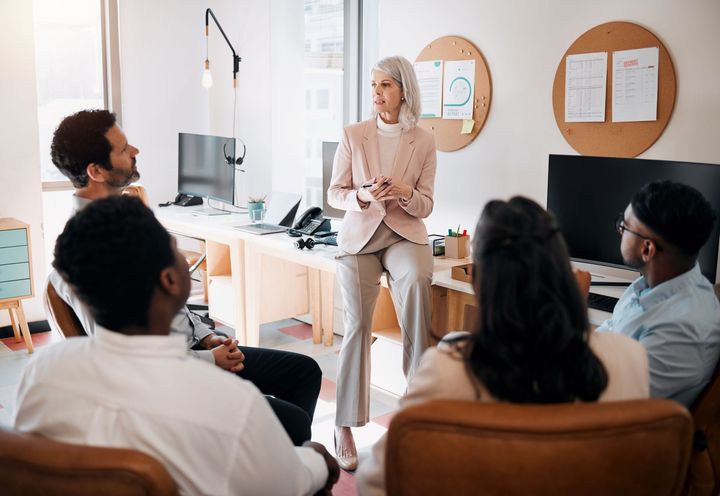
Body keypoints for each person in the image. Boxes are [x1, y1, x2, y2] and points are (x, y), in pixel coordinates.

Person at [15, 196, 339, 495]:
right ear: (170, 281)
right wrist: (314, 458)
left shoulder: (42, 373)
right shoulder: (234, 404)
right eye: (176, 250)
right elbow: (289, 483)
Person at [47, 109, 321, 446]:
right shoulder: (82, 255)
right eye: (122, 149)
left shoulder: (129, 217)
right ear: (96, 171)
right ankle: (272, 460)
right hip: (168, 380)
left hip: (194, 349)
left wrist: (207, 337)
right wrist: (209, 361)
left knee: (305, 372)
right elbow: (127, 355)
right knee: (293, 424)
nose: (135, 150)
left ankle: (270, 461)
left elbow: (173, 307)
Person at [356, 196, 650, 495]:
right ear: (566, 276)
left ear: (478, 282)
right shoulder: (630, 357)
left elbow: (374, 482)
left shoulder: (448, 367)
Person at [327, 55, 436, 470]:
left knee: (417, 292)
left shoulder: (423, 141)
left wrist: (405, 191)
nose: (376, 93)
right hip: (360, 238)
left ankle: (418, 411)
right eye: (373, 85)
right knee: (357, 324)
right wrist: (363, 195)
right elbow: (335, 193)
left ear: (404, 90)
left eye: (385, 85)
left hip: (404, 233)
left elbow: (426, 205)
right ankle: (345, 424)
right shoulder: (353, 135)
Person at [596, 180, 720, 407]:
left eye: (624, 226)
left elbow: (608, 398)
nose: (619, 231)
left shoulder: (681, 329)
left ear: (647, 249)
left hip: (614, 429)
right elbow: (612, 329)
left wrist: (570, 305)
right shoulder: (649, 284)